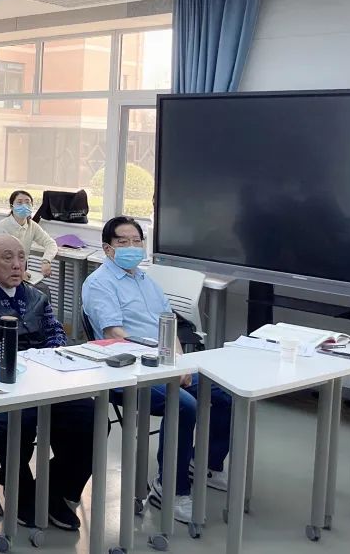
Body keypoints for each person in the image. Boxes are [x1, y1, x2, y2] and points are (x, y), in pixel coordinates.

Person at [82, 216, 233, 523]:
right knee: (183, 404)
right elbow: (114, 335)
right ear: (108, 249)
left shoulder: (146, 281)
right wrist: (164, 364)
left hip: (163, 363)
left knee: (224, 391)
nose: (131, 246)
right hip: (124, 370)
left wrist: (178, 362)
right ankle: (170, 488)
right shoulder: (99, 283)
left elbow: (169, 325)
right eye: (123, 242)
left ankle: (204, 464)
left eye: (136, 241)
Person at [0, 234, 92, 531]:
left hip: (45, 380)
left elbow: (56, 334)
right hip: (0, 386)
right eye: (7, 258)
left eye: (21, 257)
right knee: (17, 420)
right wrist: (24, 364)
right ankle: (20, 490)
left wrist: (46, 358)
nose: (17, 265)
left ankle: (54, 491)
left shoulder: (37, 296)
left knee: (89, 416)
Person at [0, 189, 58, 279]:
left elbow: (50, 243)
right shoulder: (3, 226)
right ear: (11, 207)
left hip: (20, 271)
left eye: (27, 202)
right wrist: (15, 273)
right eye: (19, 202)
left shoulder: (32, 226)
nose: (24, 206)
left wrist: (46, 261)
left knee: (41, 287)